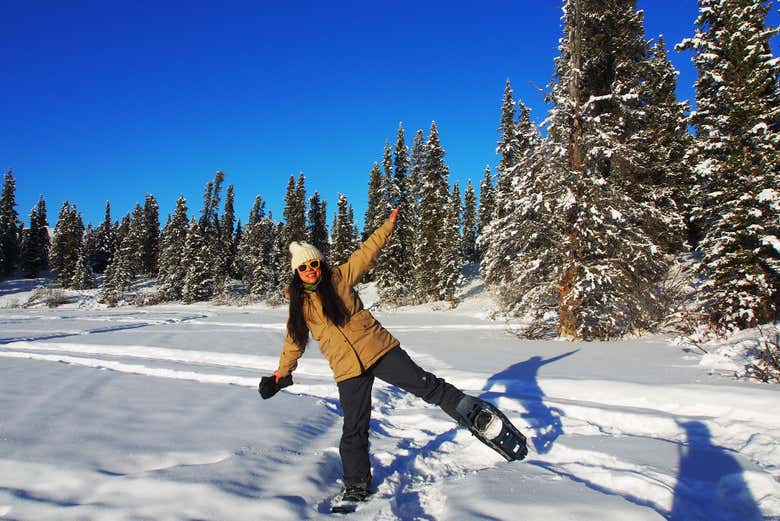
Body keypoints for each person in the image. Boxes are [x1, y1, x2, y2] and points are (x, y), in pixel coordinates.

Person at [259, 208, 526, 502]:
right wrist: (281, 373)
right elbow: (294, 341)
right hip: (347, 369)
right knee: (354, 427)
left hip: (380, 349)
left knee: (428, 387)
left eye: (313, 263)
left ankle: (470, 412)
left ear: (320, 263)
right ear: (297, 273)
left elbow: (366, 252)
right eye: (303, 267)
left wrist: (388, 226)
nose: (310, 270)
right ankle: (356, 485)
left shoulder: (340, 278)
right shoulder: (299, 306)